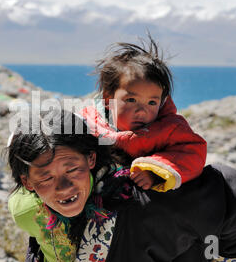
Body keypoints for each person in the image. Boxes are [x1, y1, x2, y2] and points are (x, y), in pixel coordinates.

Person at [6, 110, 236, 262]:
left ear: (91, 160)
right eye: (45, 178)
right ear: (27, 183)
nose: (62, 188)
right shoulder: (27, 208)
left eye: (71, 169)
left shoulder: (145, 196)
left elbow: (233, 188)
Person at [81, 36, 206, 192]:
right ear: (108, 98)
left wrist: (154, 171)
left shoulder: (169, 128)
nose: (142, 110)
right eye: (132, 100)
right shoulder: (90, 123)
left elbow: (193, 153)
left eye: (152, 103)